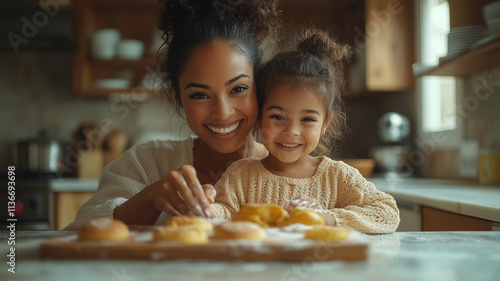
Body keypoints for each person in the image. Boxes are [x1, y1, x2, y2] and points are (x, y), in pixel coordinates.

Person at [65, 0, 280, 230]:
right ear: (179, 98)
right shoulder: (146, 163)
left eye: (238, 89)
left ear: (259, 87)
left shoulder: (293, 170)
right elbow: (79, 234)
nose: (223, 112)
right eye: (199, 95)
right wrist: (152, 198)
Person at [210, 28, 400, 234]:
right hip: (261, 265)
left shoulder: (337, 177)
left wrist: (328, 217)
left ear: (325, 124)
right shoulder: (240, 176)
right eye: (278, 117)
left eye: (308, 119)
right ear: (259, 118)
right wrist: (204, 209)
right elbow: (223, 212)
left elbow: (387, 212)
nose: (291, 131)